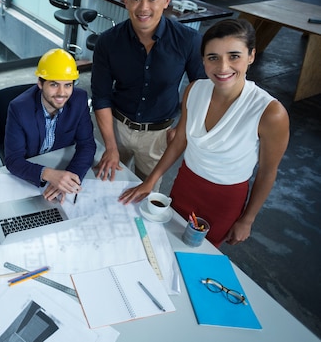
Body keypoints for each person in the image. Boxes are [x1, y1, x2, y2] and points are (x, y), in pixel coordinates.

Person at [119, 19, 290, 247]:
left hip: (224, 198)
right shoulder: (194, 89)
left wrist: (247, 219)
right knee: (167, 241)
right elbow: (180, 140)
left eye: (234, 56)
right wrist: (151, 180)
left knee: (198, 254)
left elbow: (268, 172)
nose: (223, 67)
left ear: (251, 56)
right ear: (203, 60)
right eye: (213, 58)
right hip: (185, 184)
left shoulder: (270, 112)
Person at [91, 0, 206, 188]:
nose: (143, 7)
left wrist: (183, 127)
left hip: (159, 134)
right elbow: (101, 96)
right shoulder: (108, 41)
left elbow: (201, 90)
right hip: (117, 127)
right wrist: (111, 147)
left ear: (167, 0)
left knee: (146, 196)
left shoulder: (188, 40)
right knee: (105, 188)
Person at [4, 49, 96, 203]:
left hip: (60, 160)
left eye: (68, 85)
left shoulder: (79, 100)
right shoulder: (19, 108)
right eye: (54, 84)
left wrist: (68, 179)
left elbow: (87, 145)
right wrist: (49, 174)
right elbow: (13, 160)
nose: (62, 93)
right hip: (31, 170)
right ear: (40, 83)